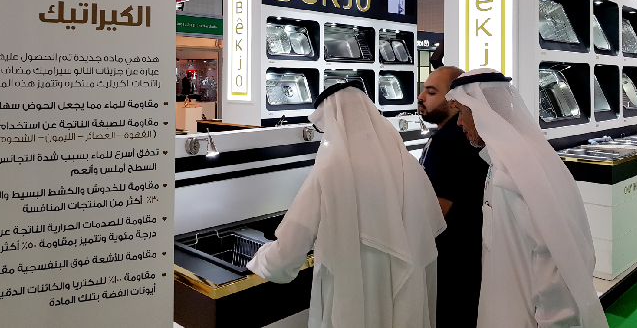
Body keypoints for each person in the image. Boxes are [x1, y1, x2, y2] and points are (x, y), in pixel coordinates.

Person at [247, 81, 446, 328]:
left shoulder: (332, 170)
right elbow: (427, 231)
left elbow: (290, 249)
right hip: (405, 293)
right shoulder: (408, 164)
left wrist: (260, 259)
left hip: (353, 296)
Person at [445, 68, 609, 328]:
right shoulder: (504, 161)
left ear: (480, 110)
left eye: (461, 112)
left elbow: (554, 253)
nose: (459, 123)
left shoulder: (517, 169)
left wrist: (553, 322)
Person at [417, 66, 487, 326]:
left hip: (454, 259)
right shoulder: (446, 136)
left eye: (431, 92)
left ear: (454, 100)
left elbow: (438, 209)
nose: (421, 97)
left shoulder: (453, 141)